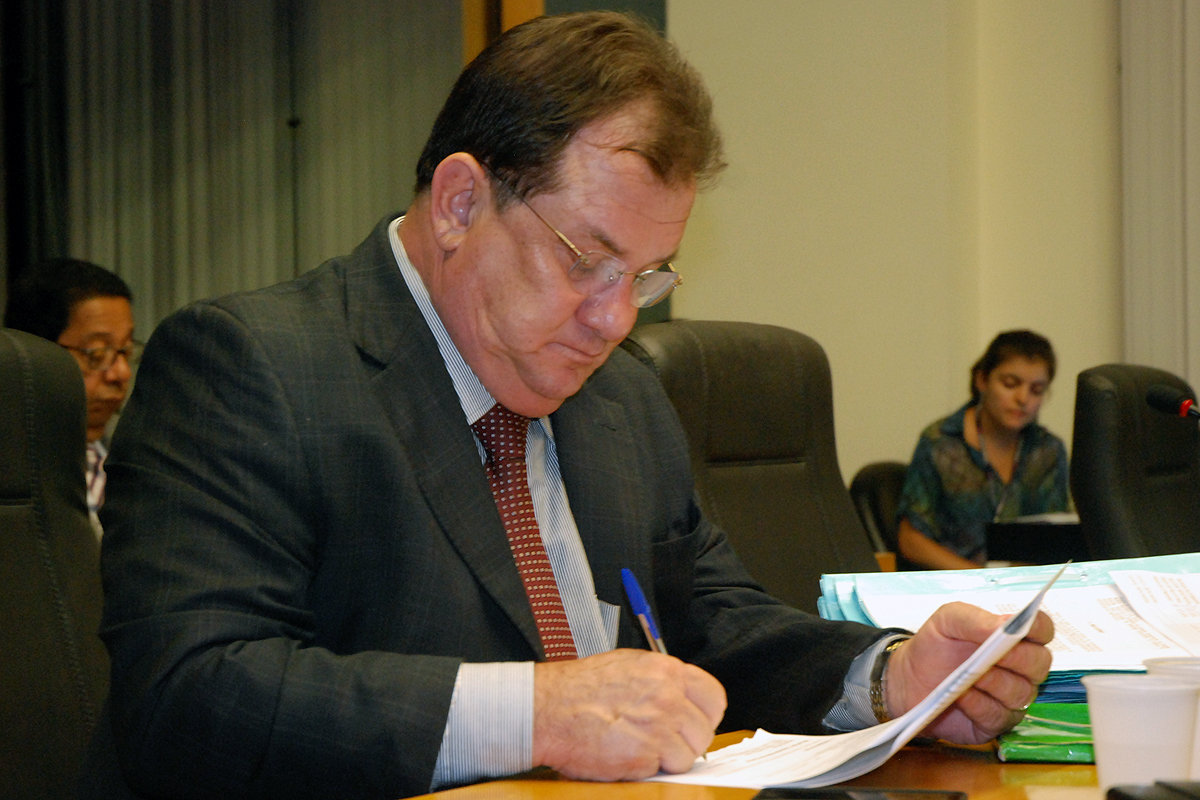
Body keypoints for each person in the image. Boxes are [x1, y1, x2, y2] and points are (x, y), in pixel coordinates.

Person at [88, 13, 1053, 800]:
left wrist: (891, 682)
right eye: (586, 261)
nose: (614, 318)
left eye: (646, 276)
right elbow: (188, 696)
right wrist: (539, 712)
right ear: (461, 203)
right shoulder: (252, 366)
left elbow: (710, 621)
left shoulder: (623, 395)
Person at [896, 330, 1072, 570]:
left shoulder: (1048, 450)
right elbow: (911, 541)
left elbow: (1055, 537)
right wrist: (983, 581)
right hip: (953, 586)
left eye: (1037, 390)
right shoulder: (940, 442)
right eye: (1010, 384)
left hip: (1024, 589)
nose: (1023, 398)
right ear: (982, 381)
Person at [4, 258, 139, 537]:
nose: (121, 373)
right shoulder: (13, 477)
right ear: (36, 354)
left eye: (125, 351)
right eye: (97, 353)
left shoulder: (129, 467)